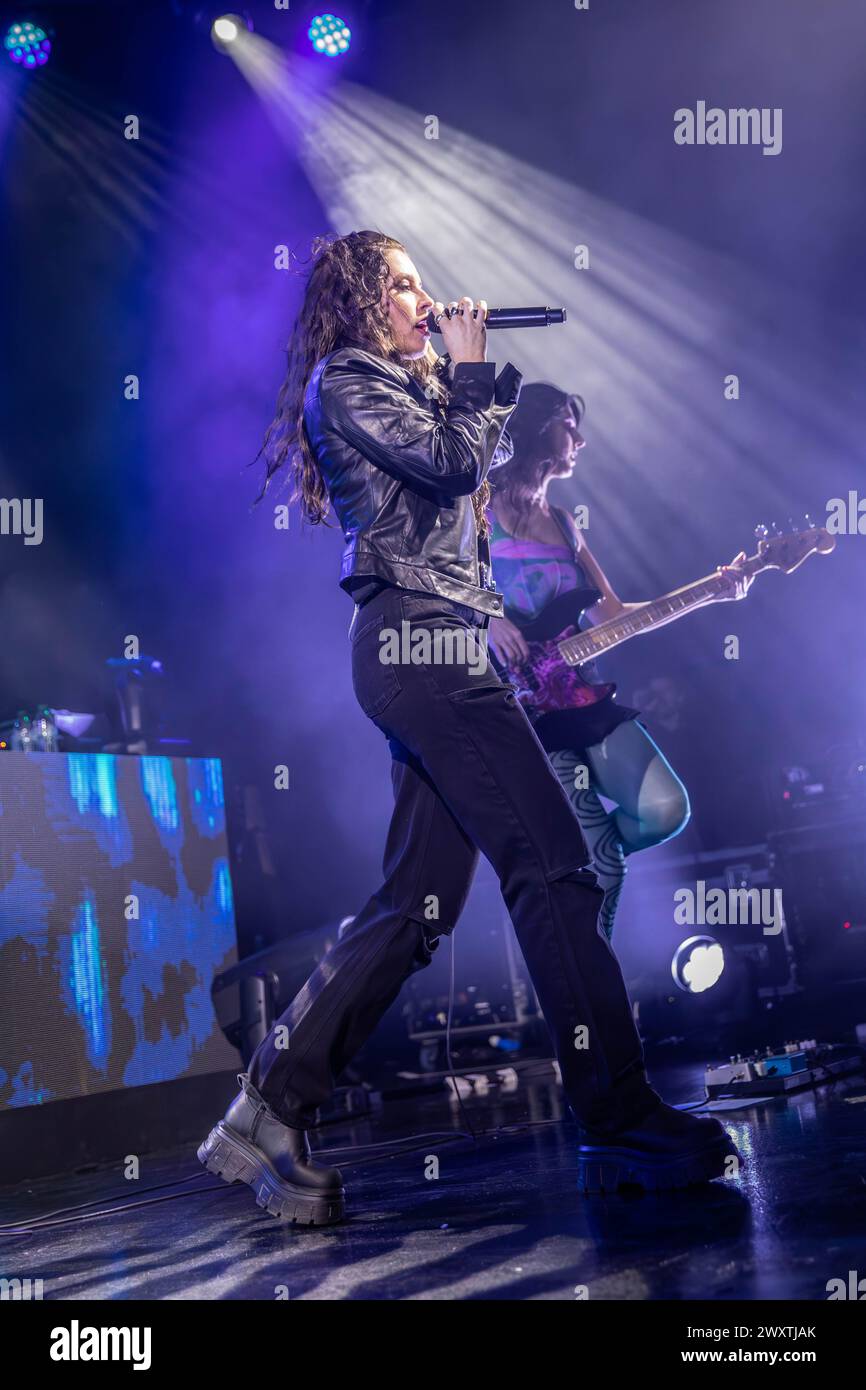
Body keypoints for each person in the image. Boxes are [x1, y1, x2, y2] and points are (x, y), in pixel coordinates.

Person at [197, 231, 739, 1224]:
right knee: (556, 865)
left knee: (414, 908)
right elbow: (451, 467)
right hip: (418, 648)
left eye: (420, 284)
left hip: (440, 647)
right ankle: (616, 1117)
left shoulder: (409, 386)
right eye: (399, 285)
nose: (421, 298)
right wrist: (477, 373)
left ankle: (269, 1105)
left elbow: (462, 484)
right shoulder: (345, 379)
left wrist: (464, 378)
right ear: (359, 303)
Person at [486, 383, 692, 943]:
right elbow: (429, 582)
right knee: (605, 869)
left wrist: (715, 589)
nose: (580, 437)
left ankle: (561, 860)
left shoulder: (565, 523)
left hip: (576, 695)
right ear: (536, 429)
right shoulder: (475, 506)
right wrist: (484, 617)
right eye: (568, 424)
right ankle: (590, 1007)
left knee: (666, 808)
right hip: (516, 713)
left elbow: (614, 616)